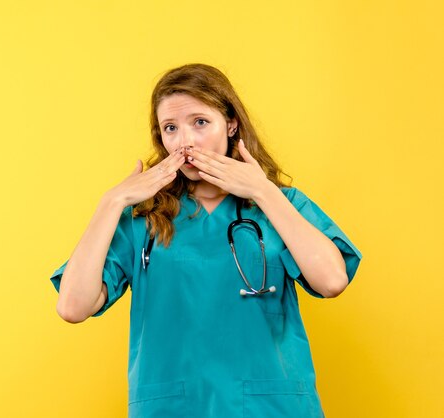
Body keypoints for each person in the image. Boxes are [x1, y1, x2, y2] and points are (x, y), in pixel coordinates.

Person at [49, 63, 362, 418]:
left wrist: (263, 191)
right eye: (171, 128)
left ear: (230, 124)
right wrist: (112, 202)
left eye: (200, 122)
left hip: (271, 407)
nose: (185, 142)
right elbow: (72, 307)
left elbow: (333, 281)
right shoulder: (143, 217)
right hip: (175, 407)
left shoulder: (280, 205)